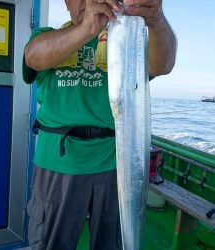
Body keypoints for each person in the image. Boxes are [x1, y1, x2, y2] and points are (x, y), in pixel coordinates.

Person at [22, 0, 177, 249]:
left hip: (115, 164)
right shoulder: (47, 36)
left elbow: (163, 64)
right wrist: (87, 29)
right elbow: (33, 57)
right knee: (50, 243)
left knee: (112, 243)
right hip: (59, 163)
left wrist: (156, 20)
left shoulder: (124, 40)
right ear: (66, 3)